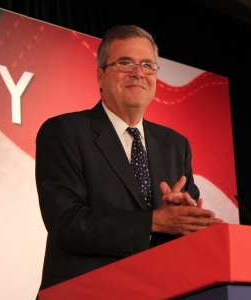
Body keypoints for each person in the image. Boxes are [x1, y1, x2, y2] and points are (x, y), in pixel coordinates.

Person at [35, 25, 223, 290]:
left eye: (148, 65)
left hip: (158, 290)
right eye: (125, 63)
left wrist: (187, 220)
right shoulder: (64, 132)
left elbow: (178, 232)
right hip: (86, 292)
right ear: (100, 76)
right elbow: (66, 223)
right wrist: (155, 221)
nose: (138, 72)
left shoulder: (174, 145)